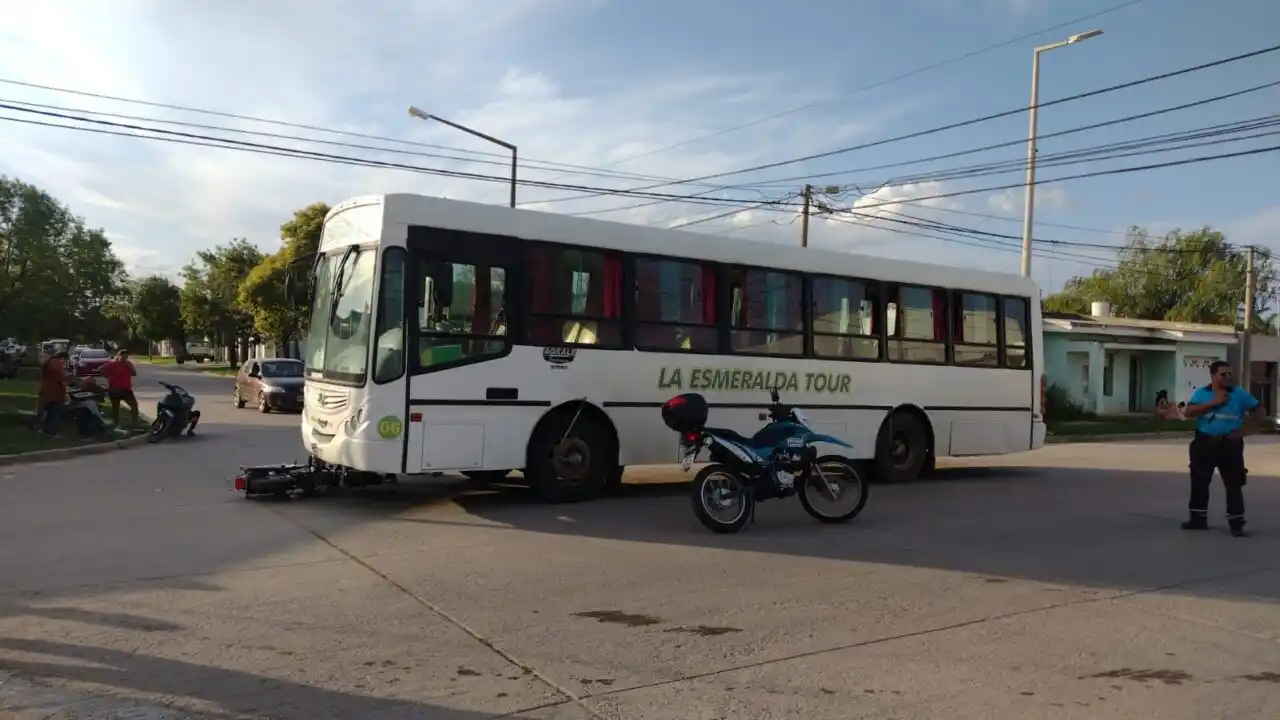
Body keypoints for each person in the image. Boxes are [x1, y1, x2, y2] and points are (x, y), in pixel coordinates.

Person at [1179, 360, 1265, 537]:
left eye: (1229, 374)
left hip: (1229, 445)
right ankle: (1197, 518)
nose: (1227, 378)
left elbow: (1259, 411)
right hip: (1204, 443)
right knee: (1199, 481)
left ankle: (1236, 523)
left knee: (1234, 483)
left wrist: (1244, 431)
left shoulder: (1239, 394)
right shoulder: (1203, 393)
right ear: (1213, 375)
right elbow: (1188, 412)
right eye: (1223, 374)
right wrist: (1214, 402)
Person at [101, 349, 139, 431]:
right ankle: (116, 424)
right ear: (118, 356)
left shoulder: (128, 364)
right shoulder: (112, 364)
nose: (124, 357)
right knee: (116, 408)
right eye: (123, 356)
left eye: (126, 356)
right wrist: (108, 376)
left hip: (126, 389)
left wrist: (129, 365)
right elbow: (101, 369)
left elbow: (134, 373)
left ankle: (135, 423)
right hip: (115, 389)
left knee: (134, 405)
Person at [35, 351, 70, 435]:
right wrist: (67, 378)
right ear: (63, 358)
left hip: (46, 391)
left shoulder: (48, 362)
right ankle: (52, 431)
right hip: (56, 392)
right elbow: (61, 376)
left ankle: (44, 429)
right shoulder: (56, 363)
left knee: (48, 412)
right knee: (55, 413)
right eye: (65, 360)